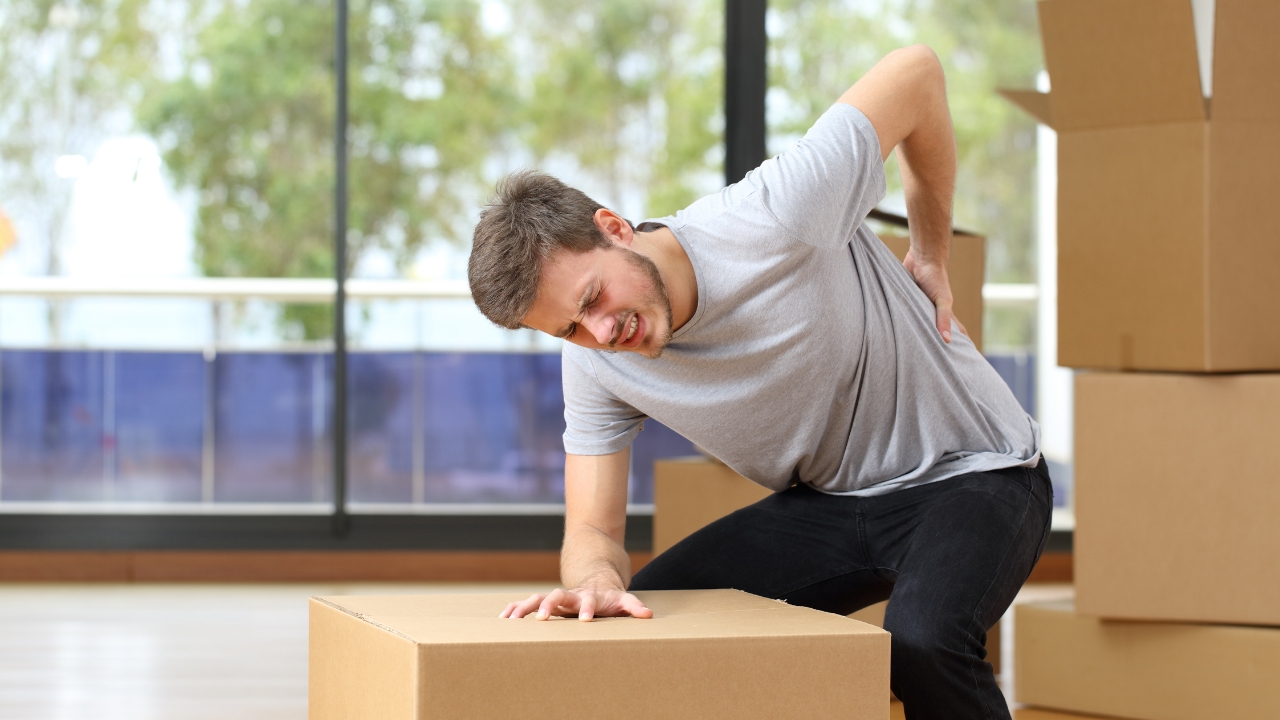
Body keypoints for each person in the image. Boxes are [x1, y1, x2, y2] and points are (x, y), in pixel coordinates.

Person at [466, 44, 1050, 720]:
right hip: (835, 503)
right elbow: (592, 532)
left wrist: (931, 251)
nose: (599, 333)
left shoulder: (775, 211)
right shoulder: (598, 361)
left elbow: (917, 73)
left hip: (976, 473)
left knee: (921, 640)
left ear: (615, 229)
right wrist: (595, 582)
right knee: (643, 630)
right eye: (569, 329)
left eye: (593, 298)